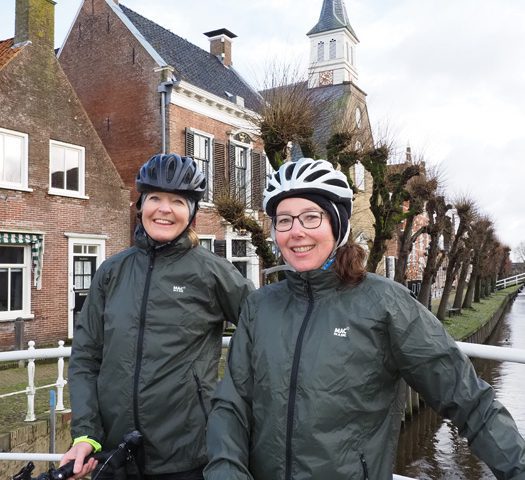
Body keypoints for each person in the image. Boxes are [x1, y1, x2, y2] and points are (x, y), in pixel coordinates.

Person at [204, 157, 525, 480]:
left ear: (338, 225)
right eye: (284, 220)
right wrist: (225, 470)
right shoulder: (260, 307)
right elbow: (232, 405)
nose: (296, 231)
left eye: (311, 217)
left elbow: (465, 396)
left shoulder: (385, 303)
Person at [61, 153, 254, 479]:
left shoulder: (212, 272)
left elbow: (265, 329)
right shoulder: (112, 272)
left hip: (186, 460)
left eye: (178, 201)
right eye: (155, 198)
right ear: (141, 206)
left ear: (191, 213)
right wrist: (85, 434)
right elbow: (86, 356)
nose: (164, 209)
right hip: (113, 458)